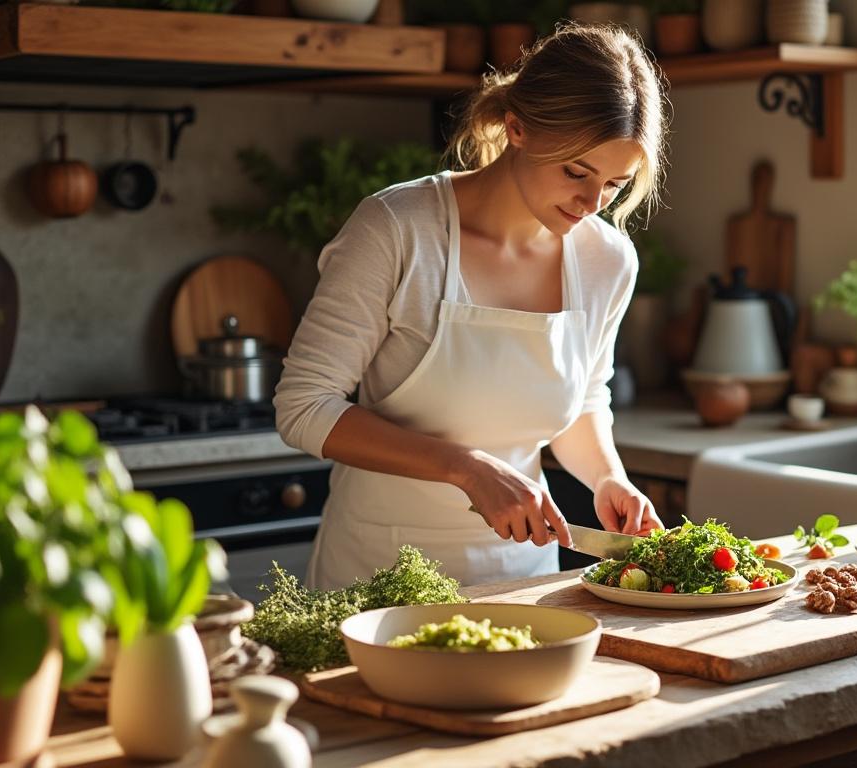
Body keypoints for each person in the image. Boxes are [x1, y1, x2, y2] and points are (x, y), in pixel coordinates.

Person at [275, 23, 670, 590]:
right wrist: (467, 468)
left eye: (615, 183)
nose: (592, 202)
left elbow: (583, 398)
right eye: (576, 172)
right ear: (517, 129)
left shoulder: (608, 261)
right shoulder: (398, 228)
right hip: (375, 580)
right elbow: (303, 406)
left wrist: (609, 479)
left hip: (521, 578)